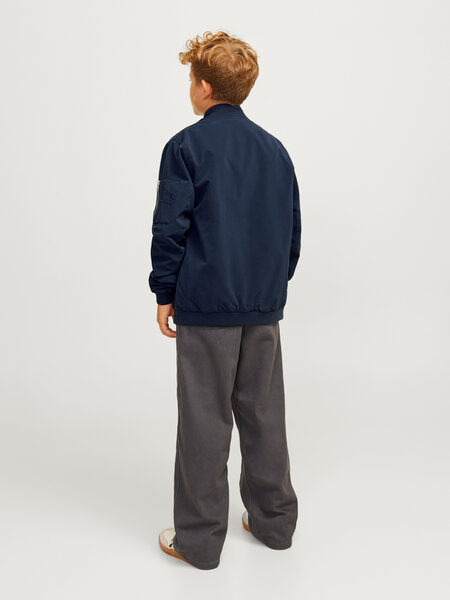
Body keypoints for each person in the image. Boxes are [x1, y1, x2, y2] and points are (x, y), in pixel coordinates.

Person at [149, 30, 301, 570]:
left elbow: (170, 228)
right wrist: (270, 291)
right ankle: (274, 524)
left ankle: (197, 541)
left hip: (206, 307)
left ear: (205, 87)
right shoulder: (275, 150)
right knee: (264, 415)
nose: (190, 88)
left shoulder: (185, 147)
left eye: (192, 79)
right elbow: (291, 232)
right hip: (262, 309)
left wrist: (165, 291)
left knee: (204, 421)